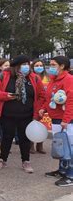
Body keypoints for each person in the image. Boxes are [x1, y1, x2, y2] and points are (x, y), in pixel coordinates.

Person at [0, 55, 45, 173]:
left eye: (27, 64)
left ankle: (26, 161)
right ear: (16, 66)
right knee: (7, 137)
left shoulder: (34, 78)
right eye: (23, 64)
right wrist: (4, 95)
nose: (26, 67)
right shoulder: (4, 75)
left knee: (24, 138)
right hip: (7, 114)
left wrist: (38, 110)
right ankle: (2, 160)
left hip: (27, 114)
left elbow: (41, 95)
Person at [40, 56, 73, 187]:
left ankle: (70, 175)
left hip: (67, 120)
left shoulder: (69, 80)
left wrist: (66, 120)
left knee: (69, 147)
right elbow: (50, 98)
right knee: (60, 145)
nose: (50, 67)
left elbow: (71, 101)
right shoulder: (53, 80)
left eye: (53, 65)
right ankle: (62, 170)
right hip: (56, 118)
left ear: (62, 66)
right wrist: (43, 108)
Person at [30, 59, 49, 154]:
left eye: (41, 65)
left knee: (43, 126)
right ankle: (30, 145)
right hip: (33, 104)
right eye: (37, 65)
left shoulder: (48, 77)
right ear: (32, 67)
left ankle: (40, 145)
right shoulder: (31, 77)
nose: (39, 67)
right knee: (32, 125)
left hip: (45, 105)